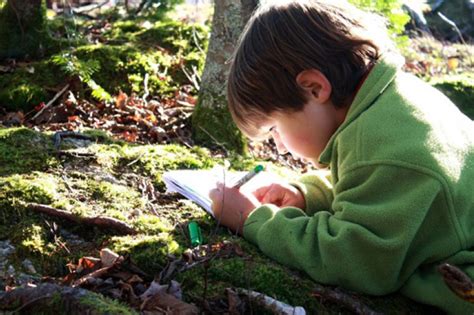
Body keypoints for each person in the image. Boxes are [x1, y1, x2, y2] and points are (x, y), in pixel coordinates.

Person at [208, 0, 474, 313]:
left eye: (274, 128)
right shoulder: (393, 103)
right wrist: (307, 194)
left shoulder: (380, 146)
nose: (278, 146)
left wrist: (254, 221)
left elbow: (358, 261)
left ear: (314, 88)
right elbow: (380, 187)